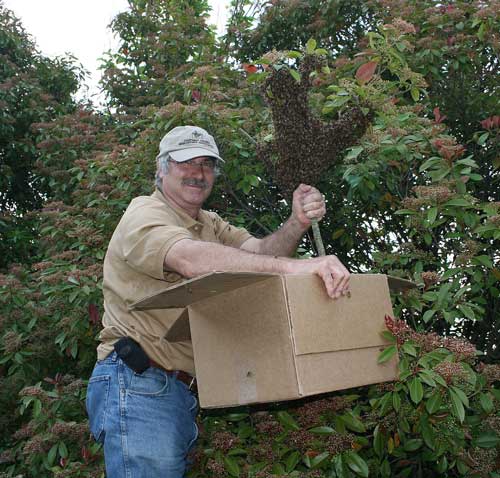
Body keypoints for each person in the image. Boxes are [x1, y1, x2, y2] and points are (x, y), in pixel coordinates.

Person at [86, 125, 350, 478]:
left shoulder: (208, 223)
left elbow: (259, 253)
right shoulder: (144, 214)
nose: (198, 173)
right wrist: (299, 269)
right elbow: (190, 260)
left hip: (177, 391)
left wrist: (297, 223)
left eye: (207, 164)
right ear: (161, 168)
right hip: (138, 382)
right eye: (186, 163)